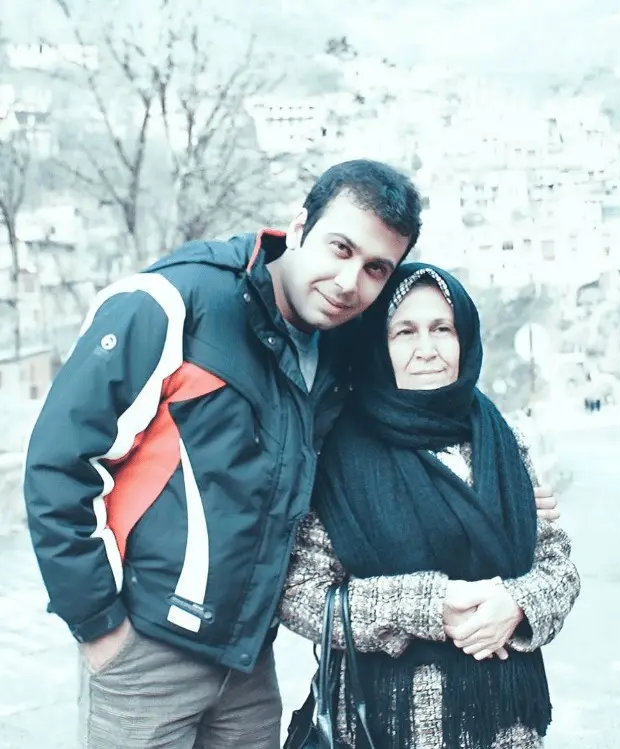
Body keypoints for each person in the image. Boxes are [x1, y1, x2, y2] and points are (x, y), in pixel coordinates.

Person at [22, 159, 422, 749]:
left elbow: (416, 409)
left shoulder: (341, 347)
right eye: (340, 248)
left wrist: (508, 484)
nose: (348, 282)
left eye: (375, 269)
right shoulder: (176, 302)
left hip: (248, 663)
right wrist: (99, 626)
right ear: (299, 226)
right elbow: (60, 465)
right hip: (145, 653)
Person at [280, 263, 580, 749]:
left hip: (505, 723)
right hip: (383, 727)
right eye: (405, 332)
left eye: (442, 329)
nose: (427, 349)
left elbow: (557, 565)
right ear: (379, 345)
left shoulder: (502, 441)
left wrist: (517, 605)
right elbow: (300, 594)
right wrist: (429, 606)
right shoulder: (337, 453)